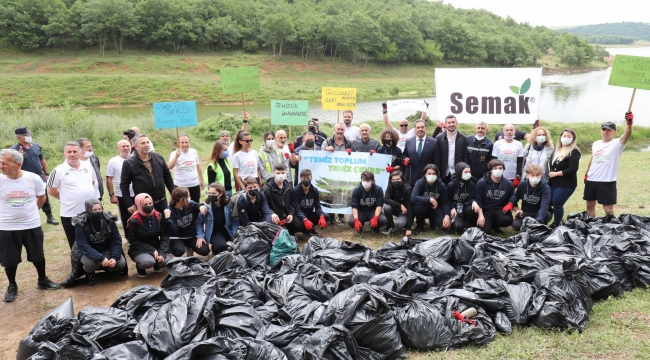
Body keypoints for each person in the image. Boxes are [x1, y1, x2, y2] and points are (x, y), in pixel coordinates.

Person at [0, 149, 60, 302]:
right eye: (0, 163)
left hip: (31, 224)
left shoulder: (33, 178)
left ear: (18, 164)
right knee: (9, 260)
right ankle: (12, 285)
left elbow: (41, 197)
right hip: (7, 227)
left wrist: (31, 212)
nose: (1, 166)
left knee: (38, 255)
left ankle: (42, 280)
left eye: (5, 163)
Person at [66, 199, 127, 286]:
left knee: (120, 263)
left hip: (105, 248)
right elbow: (83, 245)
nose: (98, 212)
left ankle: (107, 268)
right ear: (88, 210)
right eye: (94, 210)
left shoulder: (109, 219)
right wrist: (101, 258)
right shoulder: (80, 223)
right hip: (87, 252)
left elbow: (116, 239)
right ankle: (90, 274)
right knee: (90, 264)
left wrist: (114, 257)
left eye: (99, 209)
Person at [48, 142, 97, 249]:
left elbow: (92, 182)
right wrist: (67, 198)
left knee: (94, 238)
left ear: (80, 153)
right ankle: (78, 264)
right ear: (64, 154)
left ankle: (95, 262)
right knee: (76, 244)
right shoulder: (58, 170)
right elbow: (51, 190)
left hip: (90, 212)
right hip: (70, 214)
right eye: (69, 152)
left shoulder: (88, 166)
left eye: (75, 151)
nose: (72, 154)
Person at [584, 113, 633, 217]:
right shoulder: (596, 143)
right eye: (604, 129)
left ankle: (613, 229)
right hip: (592, 179)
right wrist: (587, 173)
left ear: (615, 132)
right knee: (590, 205)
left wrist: (629, 123)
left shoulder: (617, 144)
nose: (606, 132)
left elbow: (627, 134)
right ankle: (590, 226)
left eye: (609, 130)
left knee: (608, 209)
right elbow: (593, 158)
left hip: (607, 181)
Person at [11, 127, 58, 225]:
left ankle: (49, 217)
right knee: (27, 197)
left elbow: (42, 160)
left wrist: (46, 174)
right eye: (26, 135)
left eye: (29, 134)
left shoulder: (36, 146)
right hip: (25, 178)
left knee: (43, 196)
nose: (29, 137)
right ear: (19, 137)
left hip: (39, 176)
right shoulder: (14, 151)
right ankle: (27, 218)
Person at [120, 134, 175, 214]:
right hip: (144, 204)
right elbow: (124, 185)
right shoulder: (129, 163)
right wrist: (129, 204)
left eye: (147, 142)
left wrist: (174, 194)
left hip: (161, 200)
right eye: (142, 143)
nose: (146, 145)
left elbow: (167, 177)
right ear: (136, 147)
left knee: (165, 223)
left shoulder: (158, 157)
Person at [127, 193, 170, 277]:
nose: (149, 206)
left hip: (156, 246)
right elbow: (133, 241)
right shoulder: (134, 221)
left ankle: (157, 264)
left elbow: (164, 236)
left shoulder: (158, 216)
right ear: (139, 205)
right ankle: (140, 267)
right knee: (148, 262)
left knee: (166, 261)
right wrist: (151, 250)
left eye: (150, 204)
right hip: (139, 249)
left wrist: (162, 252)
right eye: (145, 204)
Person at [548, 129, 581, 227]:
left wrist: (556, 173)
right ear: (560, 137)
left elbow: (573, 169)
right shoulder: (557, 150)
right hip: (553, 182)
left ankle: (556, 224)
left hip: (566, 184)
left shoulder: (574, 152)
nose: (566, 138)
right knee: (550, 201)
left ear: (573, 139)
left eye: (569, 136)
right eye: (564, 136)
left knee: (557, 203)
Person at [472, 159, 515, 235]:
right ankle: (486, 224)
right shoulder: (482, 182)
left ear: (503, 170)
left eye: (500, 168)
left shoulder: (508, 184)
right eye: (495, 168)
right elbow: (479, 200)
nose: (498, 170)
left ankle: (495, 226)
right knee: (486, 231)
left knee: (508, 220)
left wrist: (511, 204)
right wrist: (481, 216)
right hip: (486, 209)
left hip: (499, 209)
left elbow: (512, 197)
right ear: (490, 170)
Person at [165, 187, 209, 257]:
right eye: (187, 197)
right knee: (178, 251)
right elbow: (173, 231)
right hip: (178, 237)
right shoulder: (169, 211)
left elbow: (198, 205)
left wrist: (201, 207)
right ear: (181, 200)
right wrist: (167, 219)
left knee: (205, 250)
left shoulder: (190, 204)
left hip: (191, 235)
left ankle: (189, 248)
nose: (189, 198)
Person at [106, 140, 134, 240]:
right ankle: (129, 238)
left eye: (127, 146)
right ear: (118, 148)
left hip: (137, 193)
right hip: (122, 195)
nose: (126, 148)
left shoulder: (135, 158)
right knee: (126, 218)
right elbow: (109, 178)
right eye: (123, 146)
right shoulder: (113, 161)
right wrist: (112, 194)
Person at [411, 164, 451, 235]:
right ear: (425, 174)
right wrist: (430, 199)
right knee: (418, 207)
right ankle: (420, 225)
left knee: (442, 226)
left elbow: (445, 202)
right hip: (423, 208)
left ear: (437, 175)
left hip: (436, 208)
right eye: (429, 173)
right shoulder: (419, 183)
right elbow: (413, 198)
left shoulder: (441, 185)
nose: (431, 175)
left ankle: (433, 223)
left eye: (433, 174)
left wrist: (447, 215)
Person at [510, 164, 552, 231]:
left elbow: (544, 205)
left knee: (545, 215)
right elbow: (515, 197)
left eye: (537, 175)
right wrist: (517, 209)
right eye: (532, 175)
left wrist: (538, 222)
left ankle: (539, 226)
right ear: (527, 175)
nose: (535, 177)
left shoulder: (545, 188)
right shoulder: (522, 184)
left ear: (541, 175)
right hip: (526, 212)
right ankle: (530, 227)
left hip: (539, 212)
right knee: (516, 225)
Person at [196, 183, 234, 256]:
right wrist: (200, 236)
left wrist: (235, 232)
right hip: (215, 232)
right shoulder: (206, 207)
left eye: (214, 193)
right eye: (209, 193)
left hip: (228, 230)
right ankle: (215, 251)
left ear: (221, 193)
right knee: (221, 246)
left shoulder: (229, 204)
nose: (211, 195)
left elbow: (234, 219)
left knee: (234, 247)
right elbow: (199, 223)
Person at [402, 119, 440, 187]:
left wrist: (435, 175)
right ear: (414, 129)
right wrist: (405, 159)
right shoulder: (408, 141)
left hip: (427, 178)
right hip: (411, 178)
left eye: (422, 127)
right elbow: (404, 155)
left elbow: (437, 161)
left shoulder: (434, 142)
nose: (420, 129)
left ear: (426, 128)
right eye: (418, 127)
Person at [291, 169, 329, 235]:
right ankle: (302, 230)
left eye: (308, 178)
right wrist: (304, 219)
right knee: (298, 226)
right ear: (300, 179)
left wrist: (321, 216)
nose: (306, 180)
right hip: (299, 216)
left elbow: (317, 206)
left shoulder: (315, 190)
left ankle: (310, 228)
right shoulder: (295, 191)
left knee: (325, 216)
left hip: (309, 214)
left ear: (311, 178)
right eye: (304, 178)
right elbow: (296, 209)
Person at [261, 164, 296, 233]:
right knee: (282, 232)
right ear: (273, 174)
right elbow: (264, 206)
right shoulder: (266, 189)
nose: (280, 175)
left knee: (300, 225)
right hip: (275, 218)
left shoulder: (289, 187)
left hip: (287, 216)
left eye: (283, 173)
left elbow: (292, 203)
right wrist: (272, 213)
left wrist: (291, 214)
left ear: (286, 174)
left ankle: (290, 231)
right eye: (278, 173)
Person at [168, 135, 203, 202]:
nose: (185, 144)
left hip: (194, 184)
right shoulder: (174, 153)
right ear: (178, 143)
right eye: (182, 142)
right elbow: (170, 167)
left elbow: (198, 166)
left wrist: (201, 180)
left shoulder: (193, 152)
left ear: (189, 143)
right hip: (180, 185)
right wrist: (176, 156)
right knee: (181, 205)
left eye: (186, 142)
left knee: (195, 204)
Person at [435, 115, 468, 184]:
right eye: (449, 123)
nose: (451, 124)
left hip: (457, 173)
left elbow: (465, 157)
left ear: (457, 123)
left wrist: (464, 171)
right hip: (443, 172)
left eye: (453, 122)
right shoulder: (439, 138)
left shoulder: (463, 138)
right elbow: (436, 156)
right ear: (445, 124)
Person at [448, 162, 477, 232]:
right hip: (455, 209)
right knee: (457, 227)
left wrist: (473, 201)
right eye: (466, 172)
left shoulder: (472, 184)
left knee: (473, 209)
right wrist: (452, 208)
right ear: (459, 172)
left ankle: (471, 224)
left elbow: (472, 197)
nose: (468, 174)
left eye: (469, 172)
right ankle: (461, 223)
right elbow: (447, 199)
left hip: (466, 208)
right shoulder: (451, 185)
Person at [382, 170, 413, 236]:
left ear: (402, 179)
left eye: (397, 179)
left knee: (400, 224)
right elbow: (386, 199)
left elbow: (410, 207)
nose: (395, 181)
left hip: (405, 211)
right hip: (396, 208)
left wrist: (409, 228)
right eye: (393, 180)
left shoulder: (407, 189)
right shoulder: (390, 186)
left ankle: (406, 224)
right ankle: (390, 226)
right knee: (387, 208)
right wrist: (400, 205)